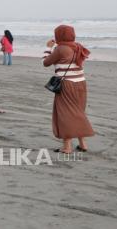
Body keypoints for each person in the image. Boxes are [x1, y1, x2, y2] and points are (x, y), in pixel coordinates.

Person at [43, 25, 94, 153]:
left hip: (67, 84)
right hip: (81, 83)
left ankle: (67, 147)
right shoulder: (78, 46)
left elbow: (46, 62)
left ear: (59, 35)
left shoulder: (60, 48)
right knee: (78, 112)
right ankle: (83, 144)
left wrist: (48, 48)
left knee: (65, 113)